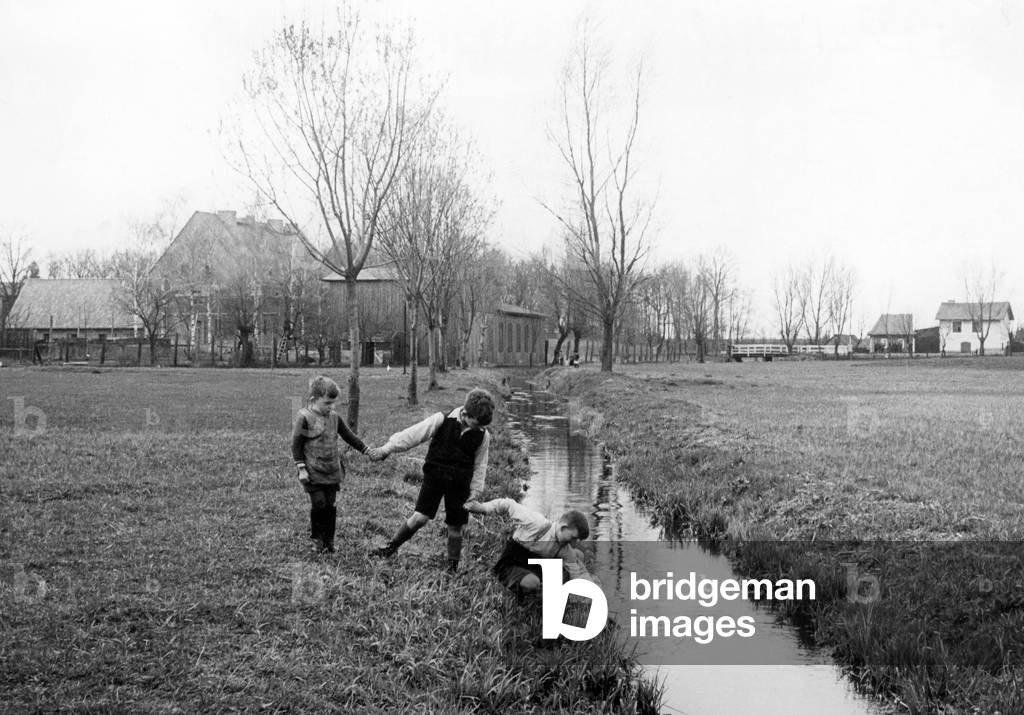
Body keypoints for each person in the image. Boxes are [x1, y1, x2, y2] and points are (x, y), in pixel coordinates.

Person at [368, 388, 495, 573]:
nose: (478, 429)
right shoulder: (441, 419)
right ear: (465, 414)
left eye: (482, 427)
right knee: (420, 518)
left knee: (455, 526)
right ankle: (390, 548)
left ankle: (452, 569)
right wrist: (387, 448)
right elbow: (412, 435)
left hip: (460, 485)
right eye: (476, 424)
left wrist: (475, 491)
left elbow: (480, 465)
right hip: (434, 477)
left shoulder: (483, 435)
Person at [292, 375, 369, 554]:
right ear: (313, 399)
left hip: (332, 470)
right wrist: (301, 468)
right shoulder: (304, 417)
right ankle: (317, 540)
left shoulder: (334, 417)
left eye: (333, 403)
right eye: (327, 403)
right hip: (312, 471)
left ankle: (329, 542)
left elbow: (349, 436)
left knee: (330, 506)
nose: (331, 407)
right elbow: (296, 445)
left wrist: (366, 450)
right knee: (319, 503)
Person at [463, 497, 596, 596]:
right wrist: (483, 508)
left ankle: (541, 590)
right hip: (512, 563)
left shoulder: (566, 549)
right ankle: (520, 592)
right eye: (573, 538)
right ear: (563, 527)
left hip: (535, 568)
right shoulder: (537, 523)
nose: (573, 543)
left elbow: (577, 575)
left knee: (577, 555)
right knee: (533, 582)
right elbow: (508, 504)